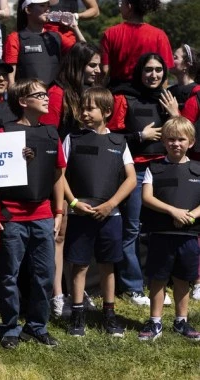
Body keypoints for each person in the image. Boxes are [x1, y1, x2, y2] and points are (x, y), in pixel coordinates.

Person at [0, 78, 64, 349]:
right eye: (40, 95)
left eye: (46, 94)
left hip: (43, 215)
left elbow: (58, 175)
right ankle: (10, 328)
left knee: (45, 274)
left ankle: (37, 326)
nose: (47, 98)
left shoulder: (52, 134)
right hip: (12, 216)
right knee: (9, 275)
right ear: (23, 102)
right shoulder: (4, 133)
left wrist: (59, 212)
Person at [63, 87, 136, 337]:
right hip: (80, 214)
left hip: (111, 216)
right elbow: (59, 176)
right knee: (80, 266)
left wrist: (111, 205)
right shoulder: (72, 139)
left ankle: (109, 314)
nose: (84, 113)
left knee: (108, 266)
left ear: (106, 112)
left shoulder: (119, 142)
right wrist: (73, 203)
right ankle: (77, 314)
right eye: (81, 108)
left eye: (90, 108)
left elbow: (131, 179)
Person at [108, 53, 179, 306]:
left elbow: (181, 136)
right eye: (148, 70)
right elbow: (112, 138)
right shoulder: (124, 98)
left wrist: (174, 113)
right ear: (139, 72)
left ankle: (158, 284)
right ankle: (133, 287)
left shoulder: (167, 100)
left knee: (160, 230)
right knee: (132, 230)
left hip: (163, 171)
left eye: (159, 70)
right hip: (135, 173)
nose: (154, 75)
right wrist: (140, 135)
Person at [38, 41, 101, 317]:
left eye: (99, 65)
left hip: (80, 174)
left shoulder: (82, 93)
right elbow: (50, 140)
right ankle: (57, 296)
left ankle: (76, 289)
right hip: (57, 175)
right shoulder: (55, 94)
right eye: (92, 65)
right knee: (59, 234)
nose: (98, 71)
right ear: (77, 65)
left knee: (76, 236)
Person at [138, 116, 200, 341]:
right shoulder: (154, 167)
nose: (176, 143)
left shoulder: (198, 169)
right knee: (158, 277)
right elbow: (147, 197)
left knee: (184, 278)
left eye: (181, 139)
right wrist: (173, 211)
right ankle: (155, 322)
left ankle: (181, 321)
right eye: (171, 139)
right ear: (164, 141)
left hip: (189, 235)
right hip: (160, 234)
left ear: (191, 142)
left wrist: (190, 215)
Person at [3, 0, 83, 87]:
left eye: (48, 6)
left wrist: (75, 28)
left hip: (54, 96)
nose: (47, 9)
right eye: (42, 6)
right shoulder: (14, 38)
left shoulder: (56, 36)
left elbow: (84, 52)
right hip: (27, 96)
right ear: (28, 9)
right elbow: (10, 78)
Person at [101, 0, 173, 86]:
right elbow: (164, 72)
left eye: (122, 3)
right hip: (148, 94)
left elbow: (105, 70)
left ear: (129, 6)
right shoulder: (160, 35)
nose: (120, 7)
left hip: (119, 93)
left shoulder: (110, 33)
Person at [168, 44, 200, 110]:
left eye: (175, 57)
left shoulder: (197, 92)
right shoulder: (169, 91)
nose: (170, 60)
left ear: (186, 64)